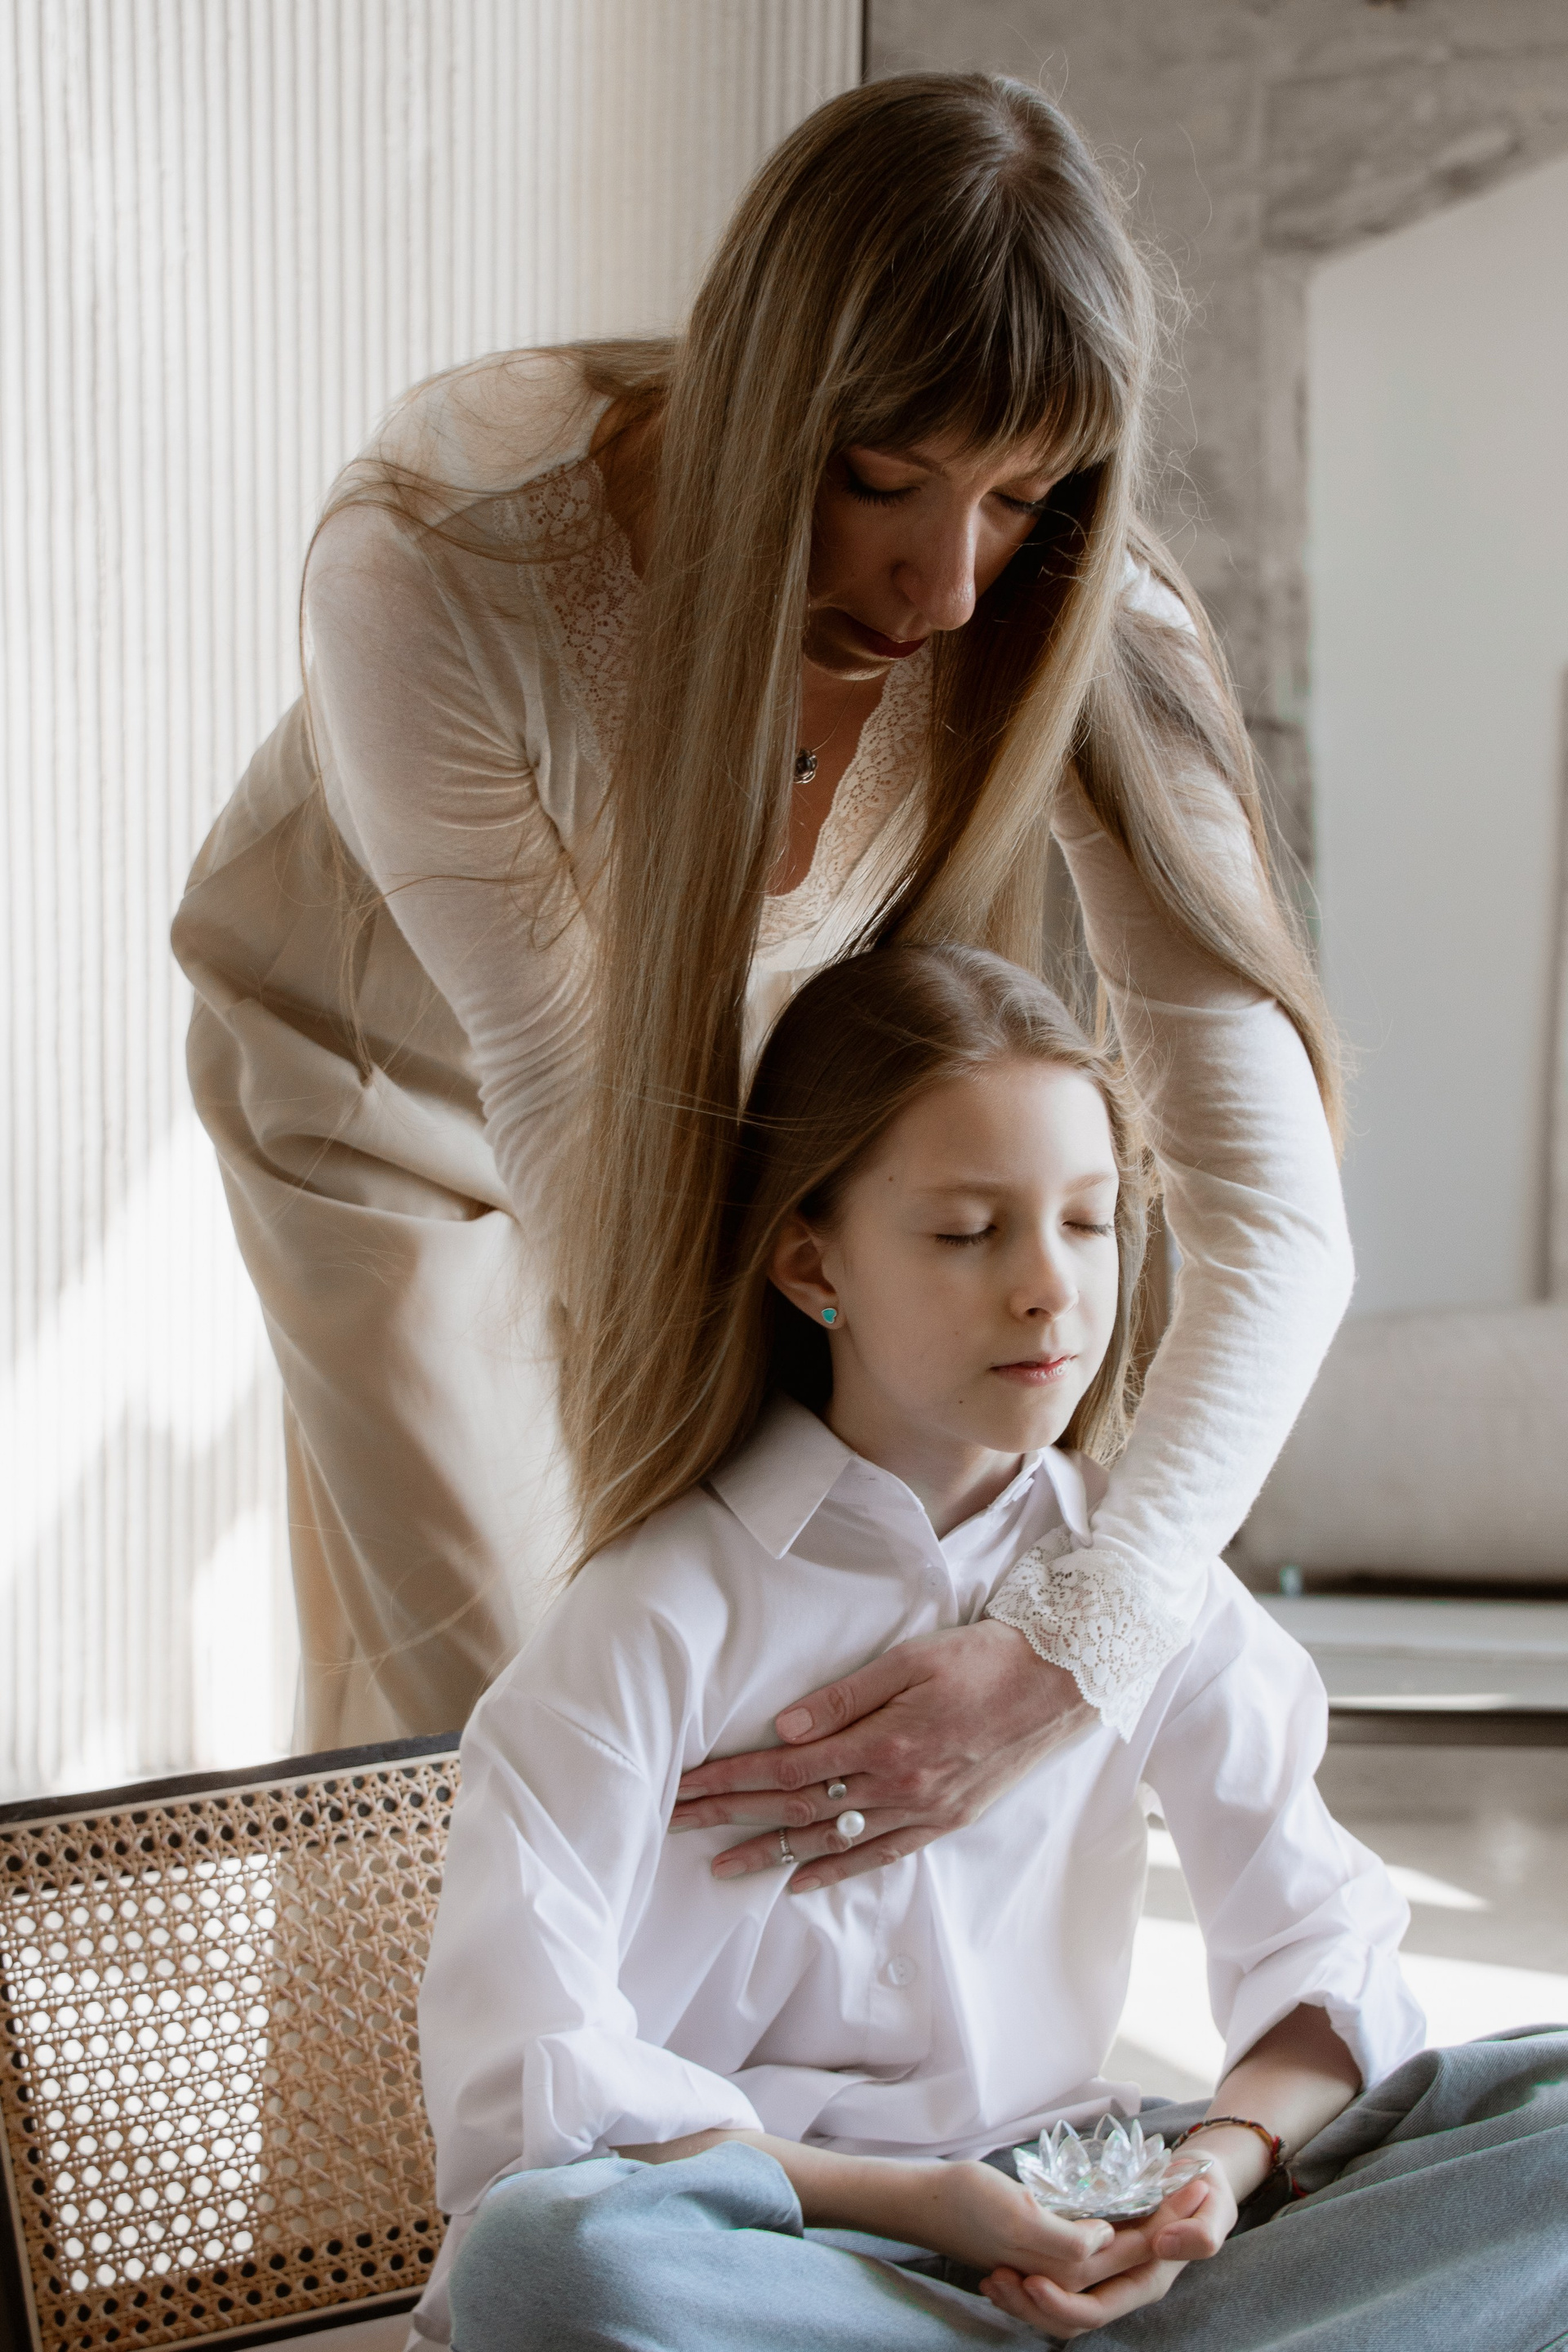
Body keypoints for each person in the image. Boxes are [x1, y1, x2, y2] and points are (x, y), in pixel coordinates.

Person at [173, 76, 1352, 1837]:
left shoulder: (1095, 622)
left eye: (1022, 497)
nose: (948, 587)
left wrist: (1081, 1636)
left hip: (720, 1105)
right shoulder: (438, 559)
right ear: (763, 401)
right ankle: (423, 2016)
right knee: (497, 1719)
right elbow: (570, 1102)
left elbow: (1278, 1217)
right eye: (884, 481)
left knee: (813, 1674)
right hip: (380, 1085)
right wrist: (745, 1561)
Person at [417, 945, 1567, 2352]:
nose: (1048, 1289)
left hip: (1087, 2198)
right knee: (549, 2260)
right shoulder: (651, 1618)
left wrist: (1211, 2178)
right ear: (812, 1262)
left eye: (1087, 1223)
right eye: (969, 1232)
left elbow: (1322, 1947)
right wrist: (918, 2206)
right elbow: (518, 2083)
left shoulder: (1148, 1587)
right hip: (776, 2234)